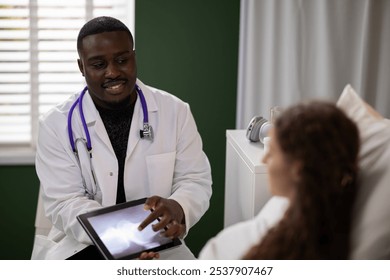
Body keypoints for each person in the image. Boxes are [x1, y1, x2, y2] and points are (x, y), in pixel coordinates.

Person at [32, 16, 212, 260]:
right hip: (86, 244)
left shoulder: (175, 111)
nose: (113, 72)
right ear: (81, 67)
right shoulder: (55, 124)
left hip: (158, 240)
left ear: (134, 57)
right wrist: (126, 239)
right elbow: (65, 203)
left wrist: (178, 207)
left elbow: (195, 180)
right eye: (98, 64)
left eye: (122, 60)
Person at [199, 101, 360, 259]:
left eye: (273, 152)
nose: (264, 159)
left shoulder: (295, 247)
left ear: (298, 169)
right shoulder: (311, 214)